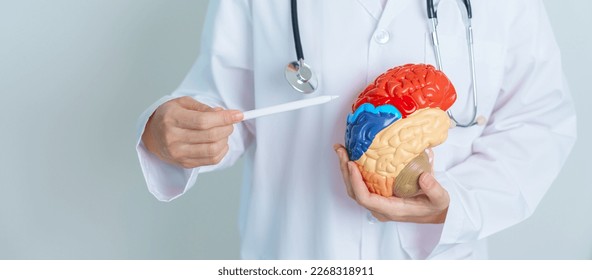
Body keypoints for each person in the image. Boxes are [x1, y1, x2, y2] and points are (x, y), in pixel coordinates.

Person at [136, 0, 576, 259]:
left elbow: (536, 121)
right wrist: (171, 132)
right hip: (295, 251)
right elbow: (220, 103)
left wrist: (455, 204)